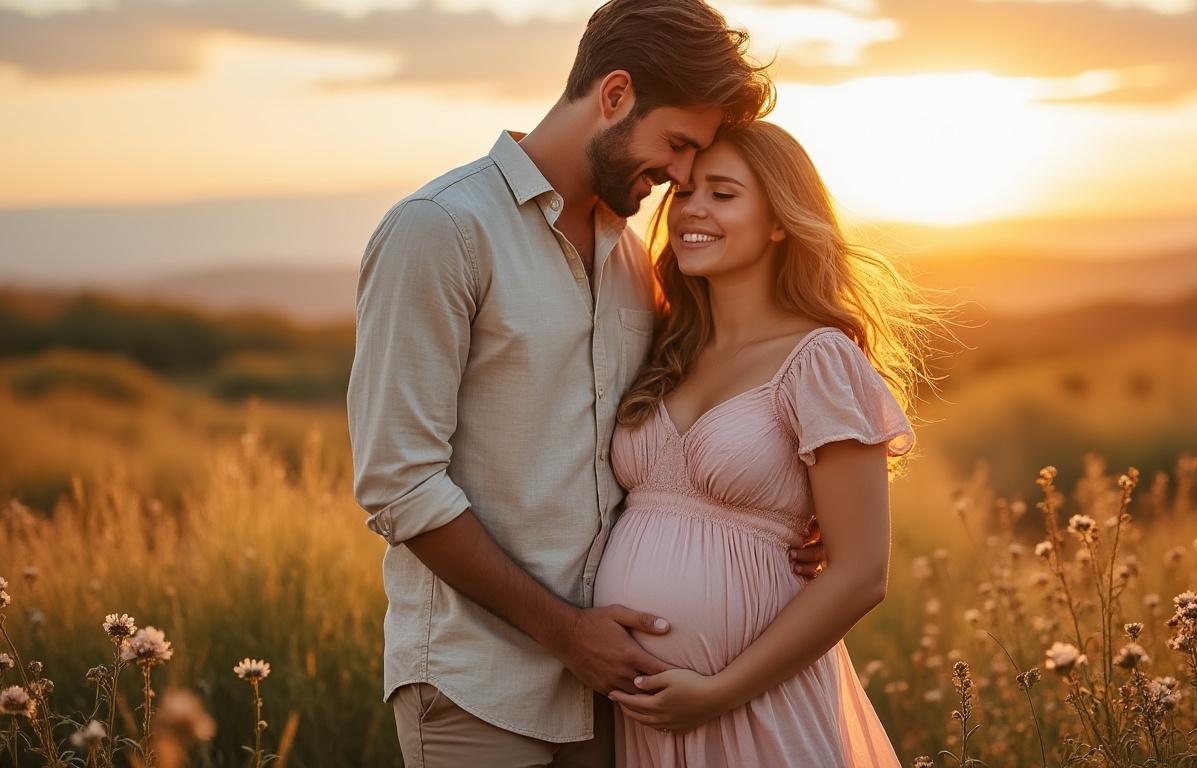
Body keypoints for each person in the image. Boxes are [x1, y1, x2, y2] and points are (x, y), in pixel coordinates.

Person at [346, 2, 826, 765]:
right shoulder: (441, 229)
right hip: (481, 685)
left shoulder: (630, 254)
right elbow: (399, 484)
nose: (680, 177)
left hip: (615, 697)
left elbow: (668, 433)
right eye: (676, 144)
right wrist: (566, 633)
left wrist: (792, 511)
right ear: (614, 96)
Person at [593, 120, 939, 766]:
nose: (693, 210)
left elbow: (863, 574)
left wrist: (718, 691)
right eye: (687, 193)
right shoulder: (667, 344)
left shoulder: (818, 360)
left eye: (724, 195)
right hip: (644, 723)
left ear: (780, 220)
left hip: (756, 712)